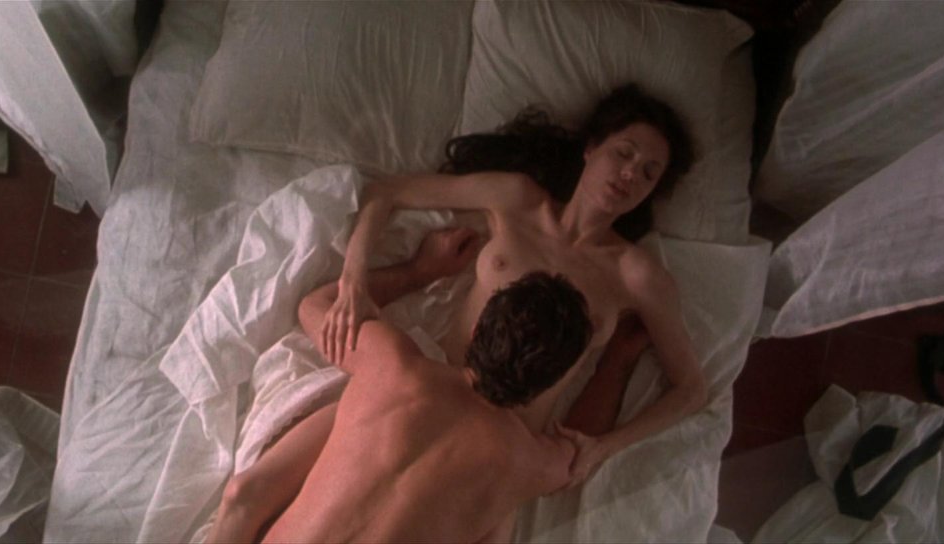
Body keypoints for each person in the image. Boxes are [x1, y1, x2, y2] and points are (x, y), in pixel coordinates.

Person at [208, 83, 706, 542]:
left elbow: (691, 388)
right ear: (591, 147)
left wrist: (607, 443)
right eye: (624, 153)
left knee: (262, 498)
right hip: (442, 409)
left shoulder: (636, 276)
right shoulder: (516, 200)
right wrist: (363, 279)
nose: (630, 174)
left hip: (478, 428)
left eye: (649, 172)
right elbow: (388, 192)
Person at [273, 247, 594, 542]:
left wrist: (418, 272)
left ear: (476, 330)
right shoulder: (530, 462)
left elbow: (314, 306)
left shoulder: (391, 364)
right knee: (502, 513)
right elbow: (584, 453)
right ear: (548, 384)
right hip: (512, 462)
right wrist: (618, 354)